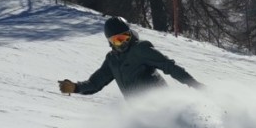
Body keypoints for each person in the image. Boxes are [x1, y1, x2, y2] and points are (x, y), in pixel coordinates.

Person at [58, 16, 202, 99]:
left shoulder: (140, 49)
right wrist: (76, 87)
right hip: (139, 112)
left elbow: (169, 66)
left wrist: (194, 84)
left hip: (161, 103)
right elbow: (95, 83)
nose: (122, 43)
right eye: (117, 40)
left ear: (130, 34)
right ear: (110, 42)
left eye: (125, 37)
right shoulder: (112, 60)